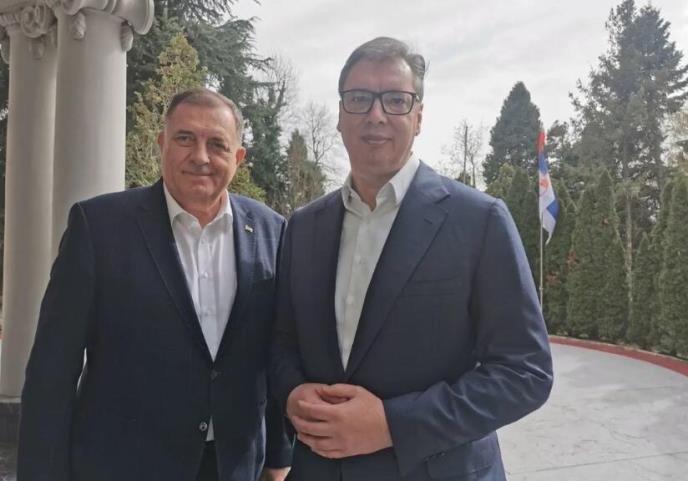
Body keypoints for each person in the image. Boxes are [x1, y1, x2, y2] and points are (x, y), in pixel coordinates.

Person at [270, 37, 553, 481]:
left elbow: (525, 372)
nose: (376, 114)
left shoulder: (479, 221)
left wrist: (393, 425)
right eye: (359, 99)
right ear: (340, 116)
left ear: (418, 117)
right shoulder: (303, 227)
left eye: (395, 100)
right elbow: (281, 343)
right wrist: (291, 394)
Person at [18, 88, 292, 481]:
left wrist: (278, 457)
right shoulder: (99, 228)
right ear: (162, 144)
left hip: (231, 466)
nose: (200, 156)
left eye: (217, 144)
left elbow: (274, 349)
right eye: (185, 138)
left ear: (238, 157)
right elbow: (52, 370)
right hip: (123, 466)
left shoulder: (272, 231)